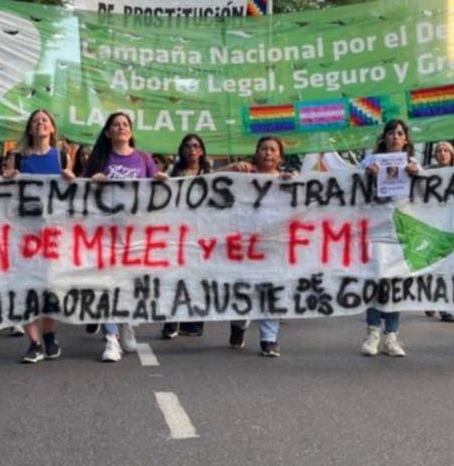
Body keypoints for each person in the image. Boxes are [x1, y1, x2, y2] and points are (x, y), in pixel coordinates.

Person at [79, 111, 166, 362]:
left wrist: (161, 182)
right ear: (108, 132)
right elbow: (80, 195)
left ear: (131, 131)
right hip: (104, 234)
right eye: (116, 125)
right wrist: (92, 182)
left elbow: (155, 193)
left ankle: (127, 322)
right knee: (107, 283)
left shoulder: (143, 158)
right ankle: (110, 338)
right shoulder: (100, 158)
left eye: (125, 124)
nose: (121, 128)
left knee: (129, 283)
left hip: (136, 233)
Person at [1, 109, 75, 363]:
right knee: (26, 288)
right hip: (25, 234)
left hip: (54, 234)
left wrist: (71, 180)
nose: (40, 123)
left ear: (52, 128)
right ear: (30, 130)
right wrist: (8, 179)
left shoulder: (62, 157)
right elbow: (8, 197)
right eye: (35, 121)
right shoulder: (18, 158)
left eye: (44, 120)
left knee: (49, 286)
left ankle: (49, 334)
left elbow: (71, 195)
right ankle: (34, 343)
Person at [224, 136, 294, 357]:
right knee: (244, 288)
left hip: (273, 244)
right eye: (264, 149)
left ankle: (269, 339)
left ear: (280, 157)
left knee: (270, 290)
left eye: (273, 150)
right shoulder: (244, 175)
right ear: (257, 152)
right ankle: (239, 325)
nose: (268, 153)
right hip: (245, 243)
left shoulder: (285, 179)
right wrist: (232, 168)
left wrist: (294, 182)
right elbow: (209, 180)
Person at [359, 119, 422, 357]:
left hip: (401, 231)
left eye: (399, 134)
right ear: (384, 138)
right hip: (376, 230)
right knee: (377, 281)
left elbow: (430, 191)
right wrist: (366, 175)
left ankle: (392, 336)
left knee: (395, 283)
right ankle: (372, 333)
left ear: (406, 139)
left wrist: (417, 176)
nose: (395, 137)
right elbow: (349, 188)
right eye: (391, 133)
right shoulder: (369, 162)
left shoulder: (414, 164)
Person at [162, 133, 212, 340]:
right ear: (182, 151)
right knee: (174, 277)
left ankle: (192, 322)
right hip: (176, 234)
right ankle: (171, 320)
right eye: (188, 146)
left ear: (201, 151)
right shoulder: (172, 173)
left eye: (195, 146)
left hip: (200, 235)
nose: (192, 150)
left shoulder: (210, 174)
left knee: (196, 279)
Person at [424, 141, 454, 322]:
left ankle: (446, 306)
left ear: (452, 154)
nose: (443, 153)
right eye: (439, 151)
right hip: (431, 224)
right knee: (433, 266)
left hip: (451, 226)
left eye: (446, 150)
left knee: (449, 267)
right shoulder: (427, 172)